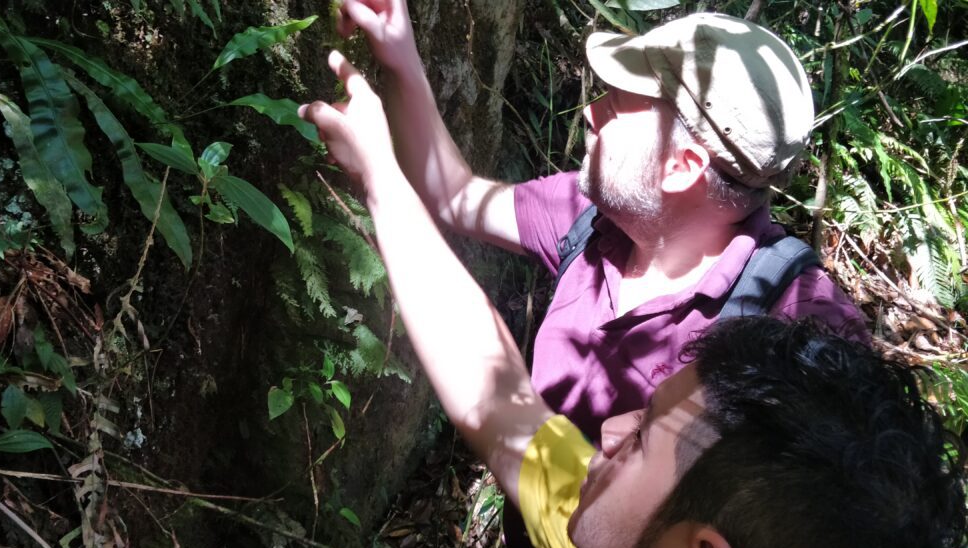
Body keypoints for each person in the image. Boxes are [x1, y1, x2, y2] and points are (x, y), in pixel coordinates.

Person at [298, 51, 966, 548]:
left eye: (644, 436)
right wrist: (396, 92)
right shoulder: (592, 222)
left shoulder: (802, 324)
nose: (606, 428)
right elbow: (505, 407)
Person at [334, 2, 870, 444]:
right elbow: (456, 196)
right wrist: (399, 54)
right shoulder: (591, 218)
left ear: (681, 166)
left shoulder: (796, 330)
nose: (590, 111)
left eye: (615, 104)